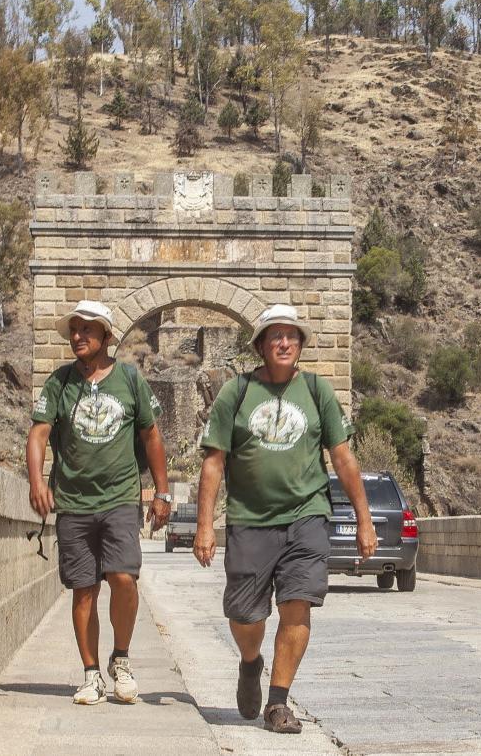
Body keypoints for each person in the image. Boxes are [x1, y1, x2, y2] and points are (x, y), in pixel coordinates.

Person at [193, 303, 377, 734]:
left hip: (306, 516)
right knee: (246, 618)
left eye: (291, 335)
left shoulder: (317, 391)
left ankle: (278, 702)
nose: (283, 342)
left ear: (300, 344)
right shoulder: (235, 393)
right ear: (260, 345)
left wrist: (364, 519)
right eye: (275, 335)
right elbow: (214, 462)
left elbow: (344, 458)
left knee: (298, 604)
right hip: (250, 520)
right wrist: (205, 525)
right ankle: (250, 662)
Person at [26, 299, 172, 705]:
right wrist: (37, 480)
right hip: (73, 501)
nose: (78, 336)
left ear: (106, 336)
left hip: (120, 497)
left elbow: (151, 436)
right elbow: (38, 434)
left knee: (124, 578)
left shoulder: (129, 379)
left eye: (87, 330)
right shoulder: (59, 382)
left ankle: (120, 659)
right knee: (83, 589)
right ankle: (91, 674)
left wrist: (161, 492)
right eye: (74, 330)